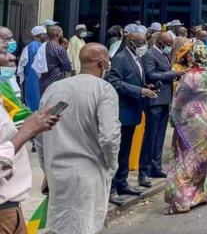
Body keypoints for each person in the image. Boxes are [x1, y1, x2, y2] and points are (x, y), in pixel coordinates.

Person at [37, 43, 120, 233]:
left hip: (57, 174)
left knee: (61, 226)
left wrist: (47, 168)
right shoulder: (104, 90)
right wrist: (111, 166)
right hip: (88, 174)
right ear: (102, 62)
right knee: (84, 226)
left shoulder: (53, 88)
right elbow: (109, 137)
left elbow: (39, 136)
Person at [0, 41, 60, 234]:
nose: (12, 57)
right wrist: (26, 132)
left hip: (11, 209)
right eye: (3, 52)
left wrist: (33, 125)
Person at [164, 42, 207, 215]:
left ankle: (183, 200)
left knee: (185, 161)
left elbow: (179, 101)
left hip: (190, 121)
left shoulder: (189, 76)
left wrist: (173, 117)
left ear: (192, 56)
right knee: (204, 159)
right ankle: (201, 194)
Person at [106, 30, 158, 206]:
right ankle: (112, 188)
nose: (145, 45)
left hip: (133, 111)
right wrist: (139, 91)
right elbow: (114, 81)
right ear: (131, 43)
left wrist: (145, 85)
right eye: (141, 42)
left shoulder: (137, 57)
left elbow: (133, 78)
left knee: (126, 152)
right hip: (123, 111)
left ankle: (122, 182)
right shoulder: (121, 58)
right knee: (117, 152)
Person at [139, 32, 181, 188]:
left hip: (164, 100)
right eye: (168, 44)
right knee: (150, 136)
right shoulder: (150, 54)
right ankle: (144, 171)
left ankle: (155, 167)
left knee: (159, 136)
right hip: (154, 100)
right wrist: (172, 74)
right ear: (160, 43)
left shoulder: (163, 55)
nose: (170, 47)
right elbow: (150, 74)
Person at [35, 25, 73, 96]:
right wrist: (64, 50)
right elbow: (67, 67)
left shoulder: (44, 46)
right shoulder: (59, 48)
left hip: (43, 81)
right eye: (61, 33)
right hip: (56, 80)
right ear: (57, 34)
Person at [17, 26, 47, 113]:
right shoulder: (34, 45)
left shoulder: (35, 46)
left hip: (33, 77)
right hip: (34, 77)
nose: (45, 37)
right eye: (44, 35)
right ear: (38, 35)